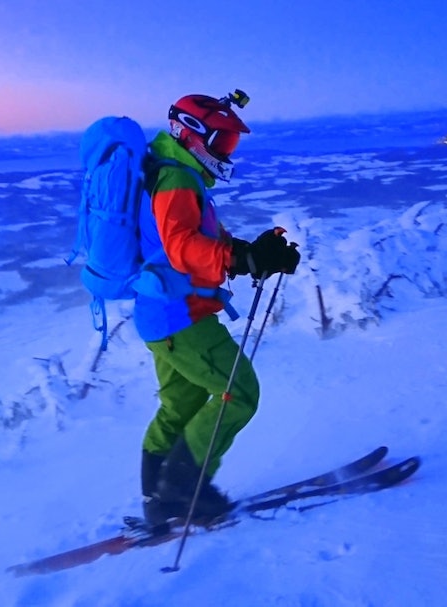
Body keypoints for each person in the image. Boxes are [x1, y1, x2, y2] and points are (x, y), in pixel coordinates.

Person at [136, 92, 300, 530]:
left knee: (179, 404)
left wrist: (251, 255)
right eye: (222, 141)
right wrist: (239, 259)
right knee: (240, 393)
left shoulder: (171, 172)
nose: (226, 151)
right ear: (191, 135)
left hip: (159, 315)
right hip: (182, 316)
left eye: (230, 144)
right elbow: (183, 248)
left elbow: (200, 241)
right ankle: (183, 488)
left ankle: (158, 499)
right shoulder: (176, 181)